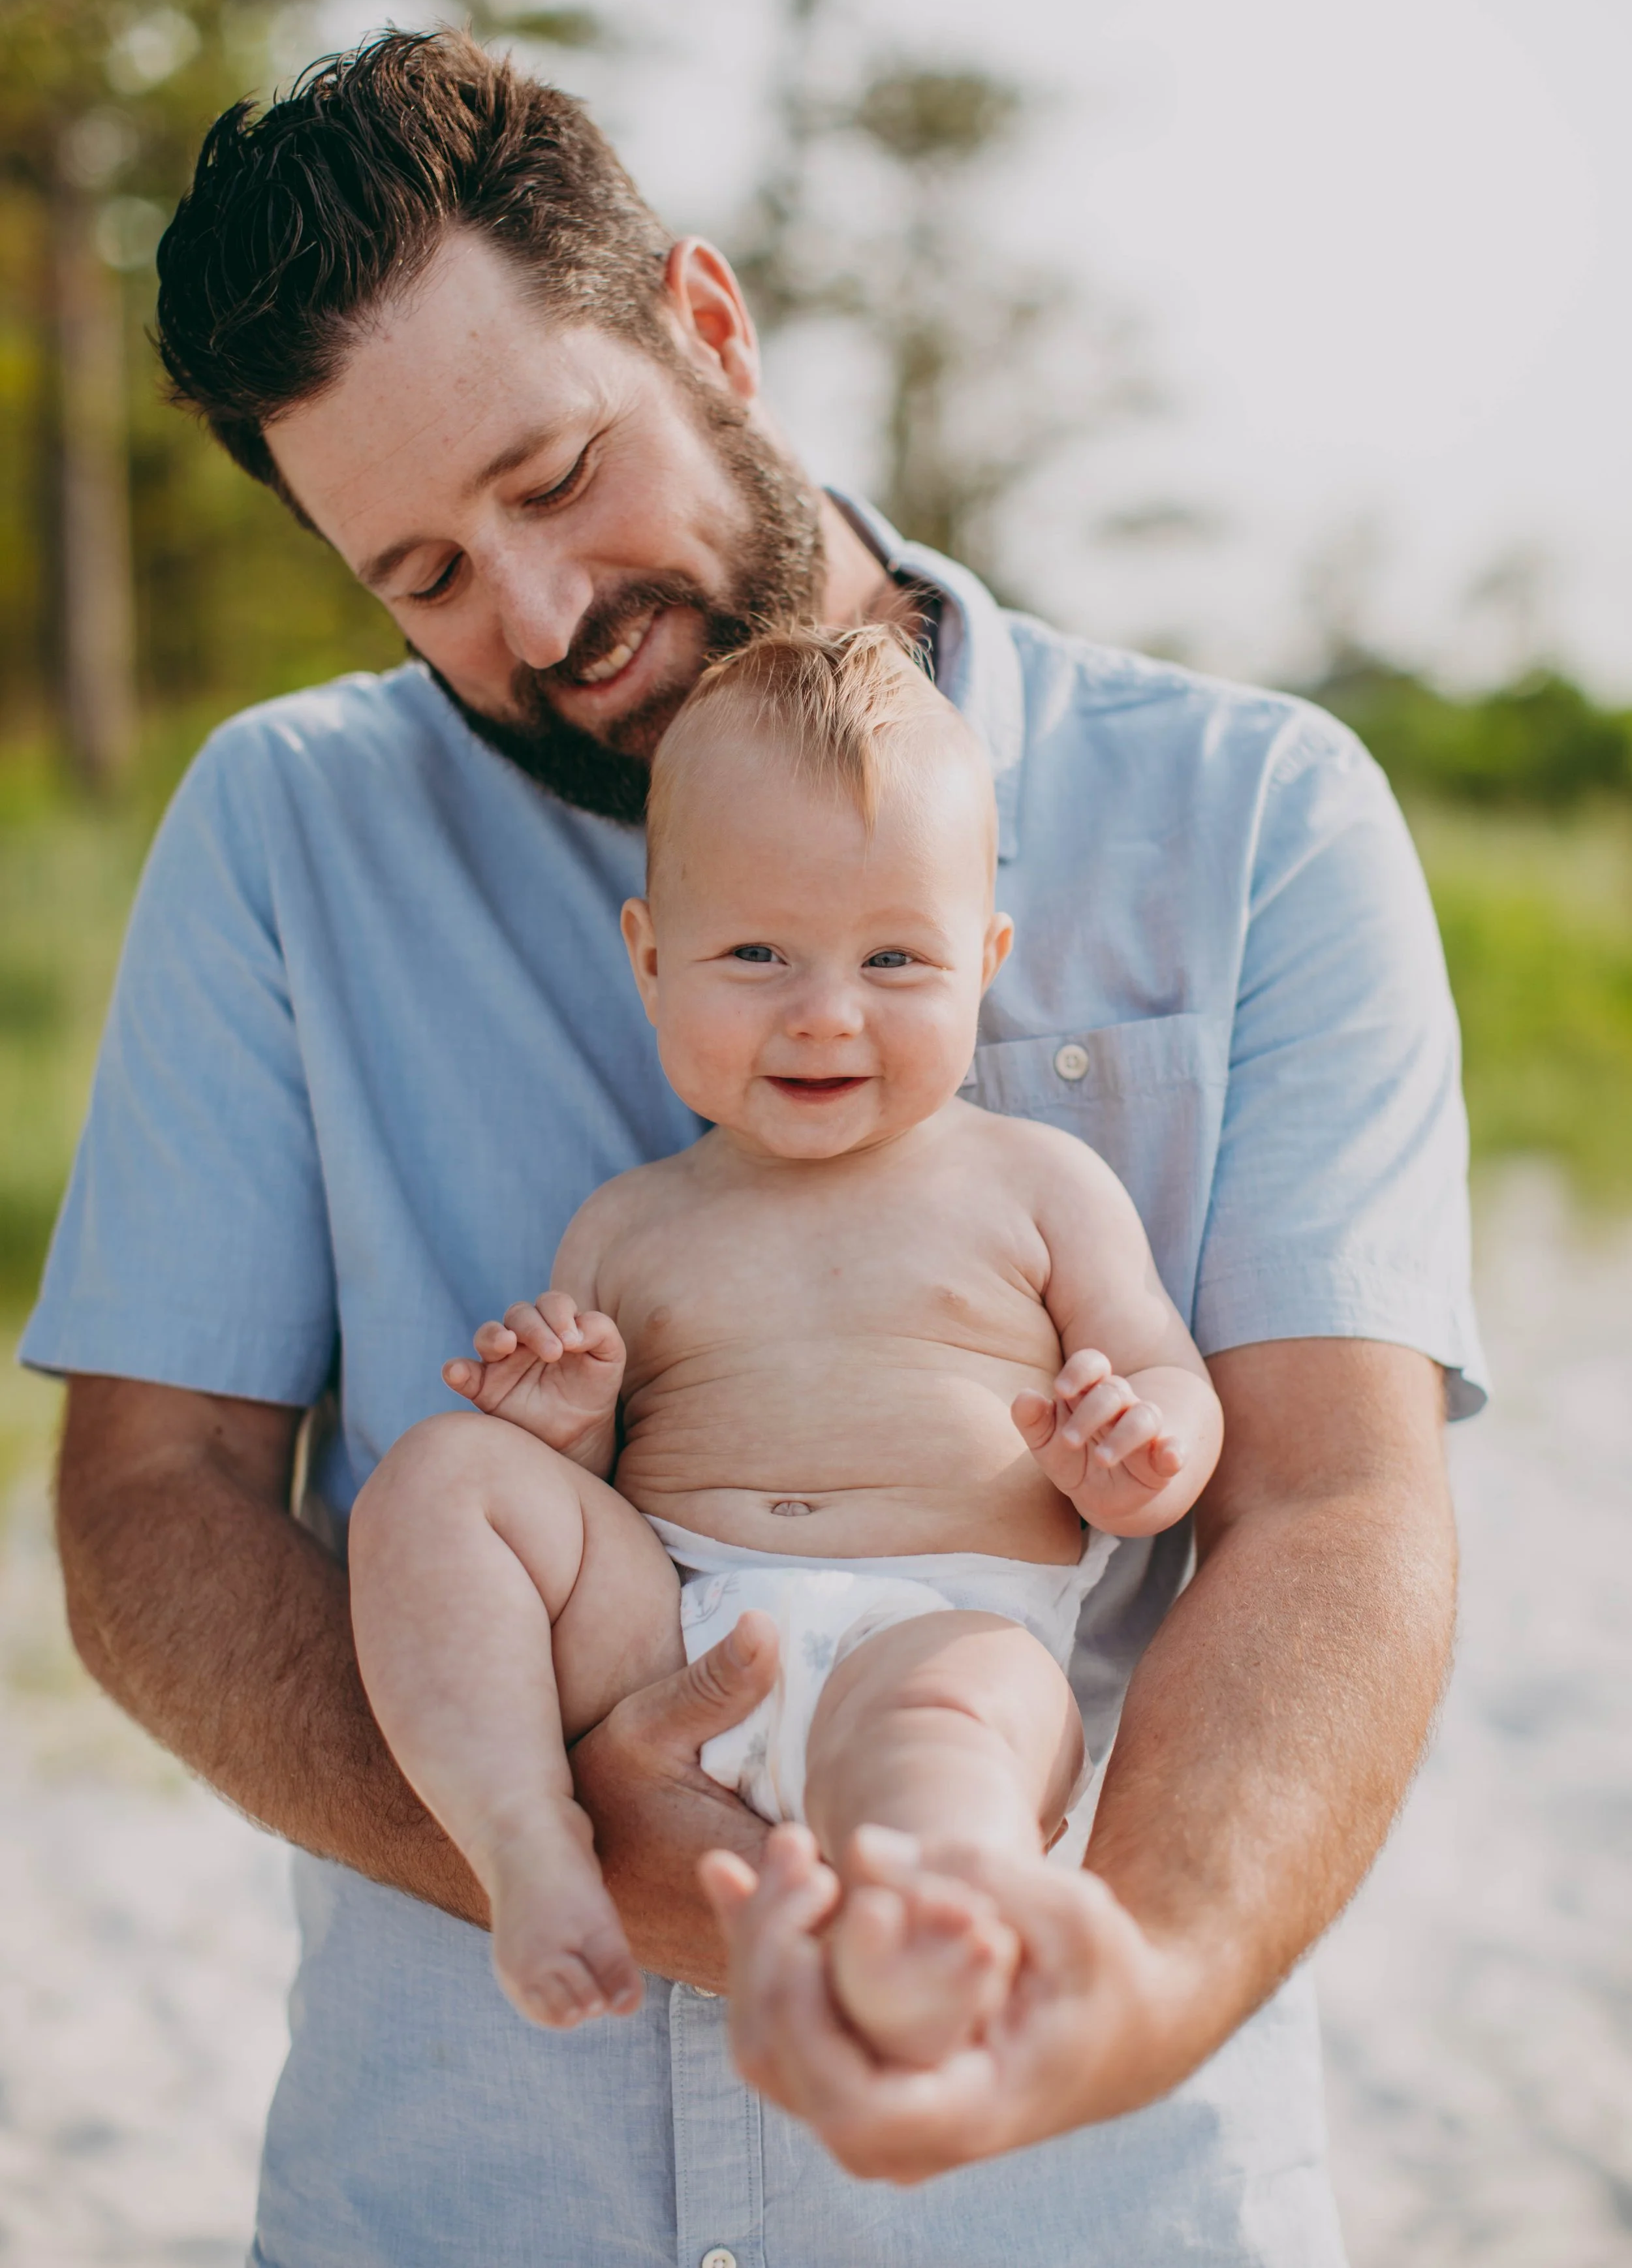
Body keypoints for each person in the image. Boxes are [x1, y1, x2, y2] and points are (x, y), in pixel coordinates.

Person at [25, 29, 1483, 2265]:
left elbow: (1334, 1511)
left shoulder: (1254, 816)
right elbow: (153, 1502)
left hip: (1072, 2201)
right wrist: (592, 1866)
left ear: (707, 327)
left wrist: (1143, 1988)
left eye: (554, 472)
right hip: (465, 2193)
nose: (532, 619)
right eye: (417, 571)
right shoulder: (285, 832)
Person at [349, 621, 1225, 2068]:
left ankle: (937, 1947)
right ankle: (521, 1837)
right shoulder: (627, 1223)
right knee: (438, 1479)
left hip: (935, 1622)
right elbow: (587, 1500)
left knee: (960, 1732)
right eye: (755, 952)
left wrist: (1136, 1459)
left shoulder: (1035, 1185)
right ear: (648, 959)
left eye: (894, 957)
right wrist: (559, 1427)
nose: (826, 1012)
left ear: (983, 961)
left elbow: (1165, 1376)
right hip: (662, 1626)